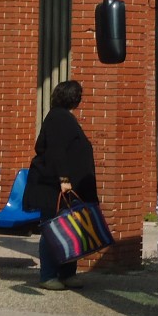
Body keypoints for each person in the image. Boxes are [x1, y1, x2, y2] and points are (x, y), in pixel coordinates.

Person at [23, 80, 98, 290]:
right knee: (53, 229)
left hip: (68, 186)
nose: (80, 99)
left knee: (70, 229)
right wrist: (64, 179)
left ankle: (67, 273)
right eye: (78, 96)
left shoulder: (62, 117)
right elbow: (57, 151)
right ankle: (48, 275)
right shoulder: (59, 118)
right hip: (56, 186)